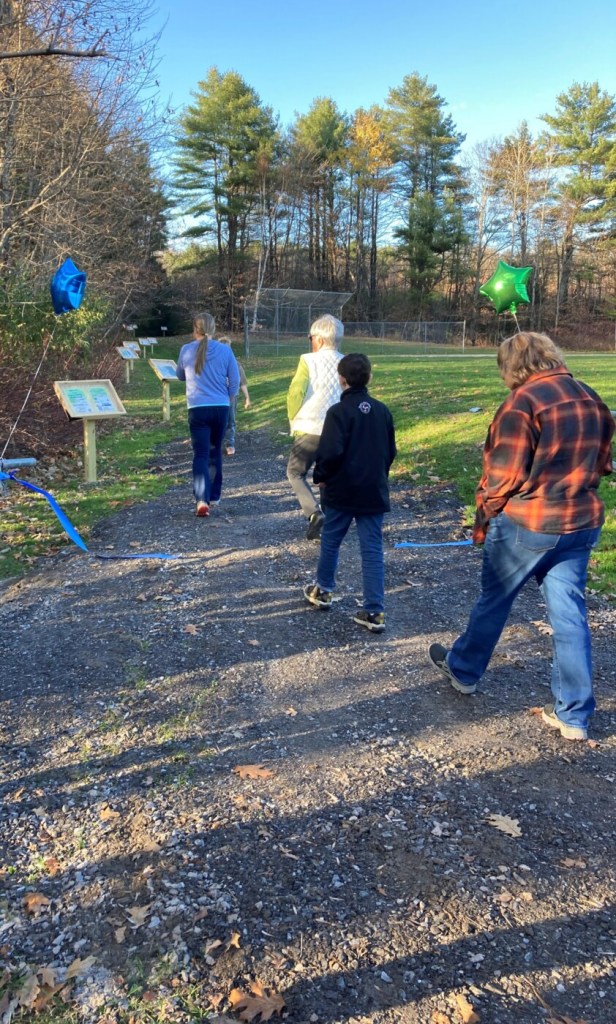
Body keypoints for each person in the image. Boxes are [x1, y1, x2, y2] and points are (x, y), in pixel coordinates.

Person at [428, 331, 614, 741]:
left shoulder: (522, 403)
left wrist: (485, 513)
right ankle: (574, 713)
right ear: (550, 355)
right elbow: (604, 461)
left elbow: (503, 477)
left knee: (494, 601)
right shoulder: (588, 395)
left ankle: (463, 669)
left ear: (511, 367)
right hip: (580, 521)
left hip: (529, 521)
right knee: (569, 616)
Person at [303, 353, 397, 633]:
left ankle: (323, 590)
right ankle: (374, 610)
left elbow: (330, 451)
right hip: (372, 489)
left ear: (341, 379)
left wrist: (320, 477)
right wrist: (379, 475)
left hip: (341, 489)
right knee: (372, 549)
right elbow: (390, 451)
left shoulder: (338, 412)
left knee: (331, 540)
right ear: (369, 377)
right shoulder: (382, 411)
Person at [176, 312, 240, 517]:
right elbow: (235, 381)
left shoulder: (186, 350)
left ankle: (201, 499)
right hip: (221, 407)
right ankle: (214, 496)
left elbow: (179, 376)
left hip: (197, 408)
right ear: (213, 329)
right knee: (215, 452)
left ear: (195, 329)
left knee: (201, 454)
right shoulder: (225, 350)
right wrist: (228, 399)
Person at [287, 314, 344, 540]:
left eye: (310, 337)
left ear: (318, 340)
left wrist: (293, 417)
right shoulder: (346, 361)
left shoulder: (307, 360)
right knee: (327, 475)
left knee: (295, 472)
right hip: (337, 430)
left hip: (310, 426)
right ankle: (330, 519)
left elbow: (296, 392)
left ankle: (313, 512)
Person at [219, 336, 251, 456]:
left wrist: (247, 398)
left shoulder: (236, 364)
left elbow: (242, 382)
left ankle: (230, 444)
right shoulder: (214, 363)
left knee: (230, 420)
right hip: (217, 397)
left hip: (231, 397)